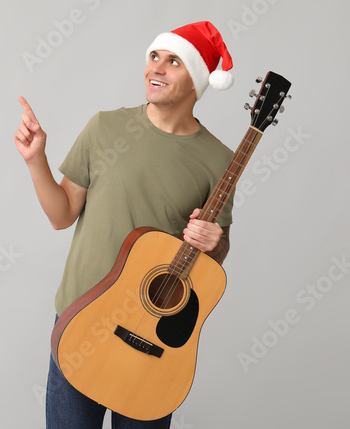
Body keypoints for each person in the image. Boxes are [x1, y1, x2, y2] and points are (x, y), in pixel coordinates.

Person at [14, 21, 237, 428]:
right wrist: (35, 161)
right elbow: (61, 216)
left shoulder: (218, 160)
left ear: (198, 82)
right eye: (155, 56)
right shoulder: (105, 127)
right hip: (83, 319)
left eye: (174, 62)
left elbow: (215, 252)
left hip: (151, 337)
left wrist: (214, 241)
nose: (157, 68)